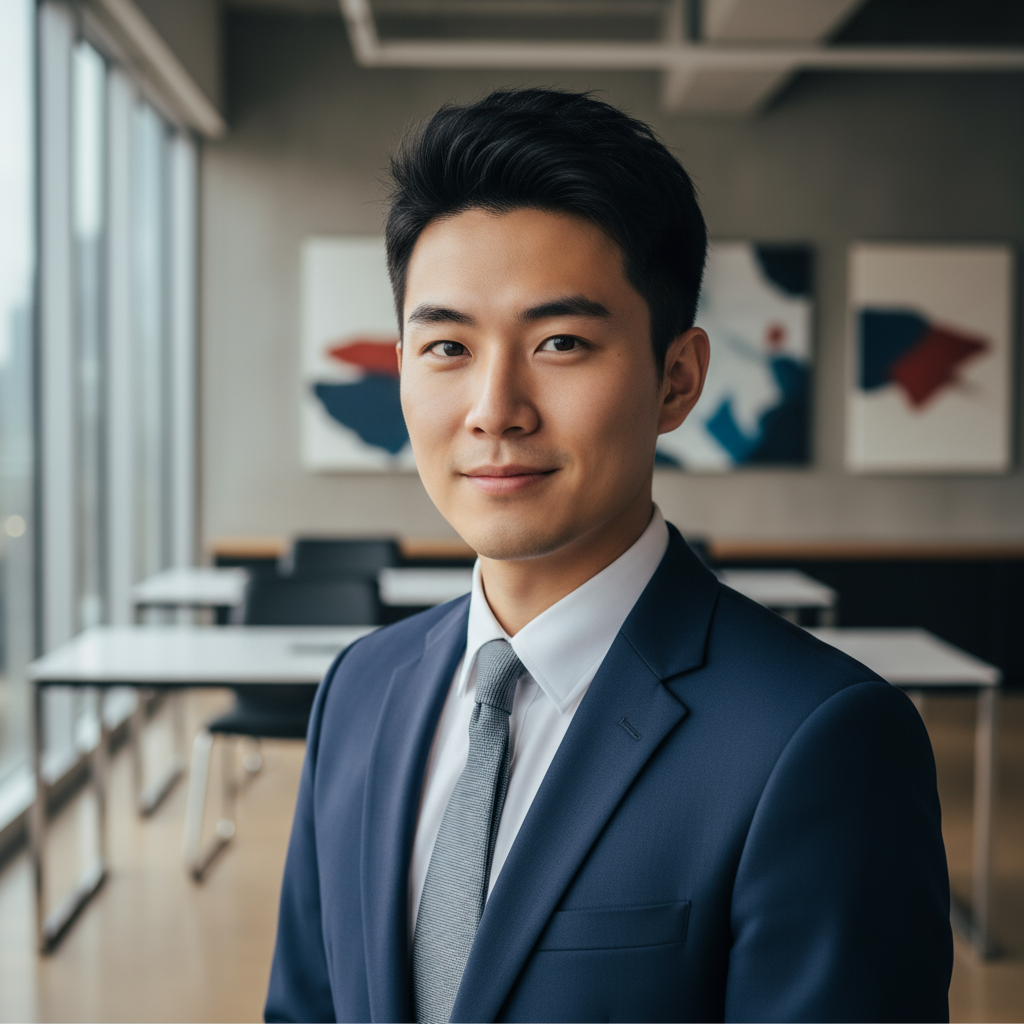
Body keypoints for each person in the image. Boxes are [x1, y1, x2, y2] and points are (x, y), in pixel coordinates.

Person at [265, 88, 952, 1023]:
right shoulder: (360, 690)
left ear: (678, 379)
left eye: (561, 342)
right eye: (446, 346)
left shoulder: (820, 740)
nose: (495, 407)